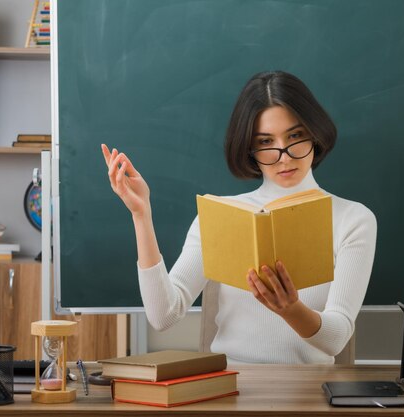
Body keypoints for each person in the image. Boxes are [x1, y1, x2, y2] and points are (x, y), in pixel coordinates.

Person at [101, 71, 377, 364]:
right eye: (266, 142)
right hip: (228, 388)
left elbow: (336, 339)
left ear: (315, 133)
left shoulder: (353, 219)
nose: (284, 156)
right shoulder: (223, 216)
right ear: (250, 149)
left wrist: (290, 309)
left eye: (295, 136)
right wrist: (141, 214)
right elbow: (164, 315)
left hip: (308, 392)